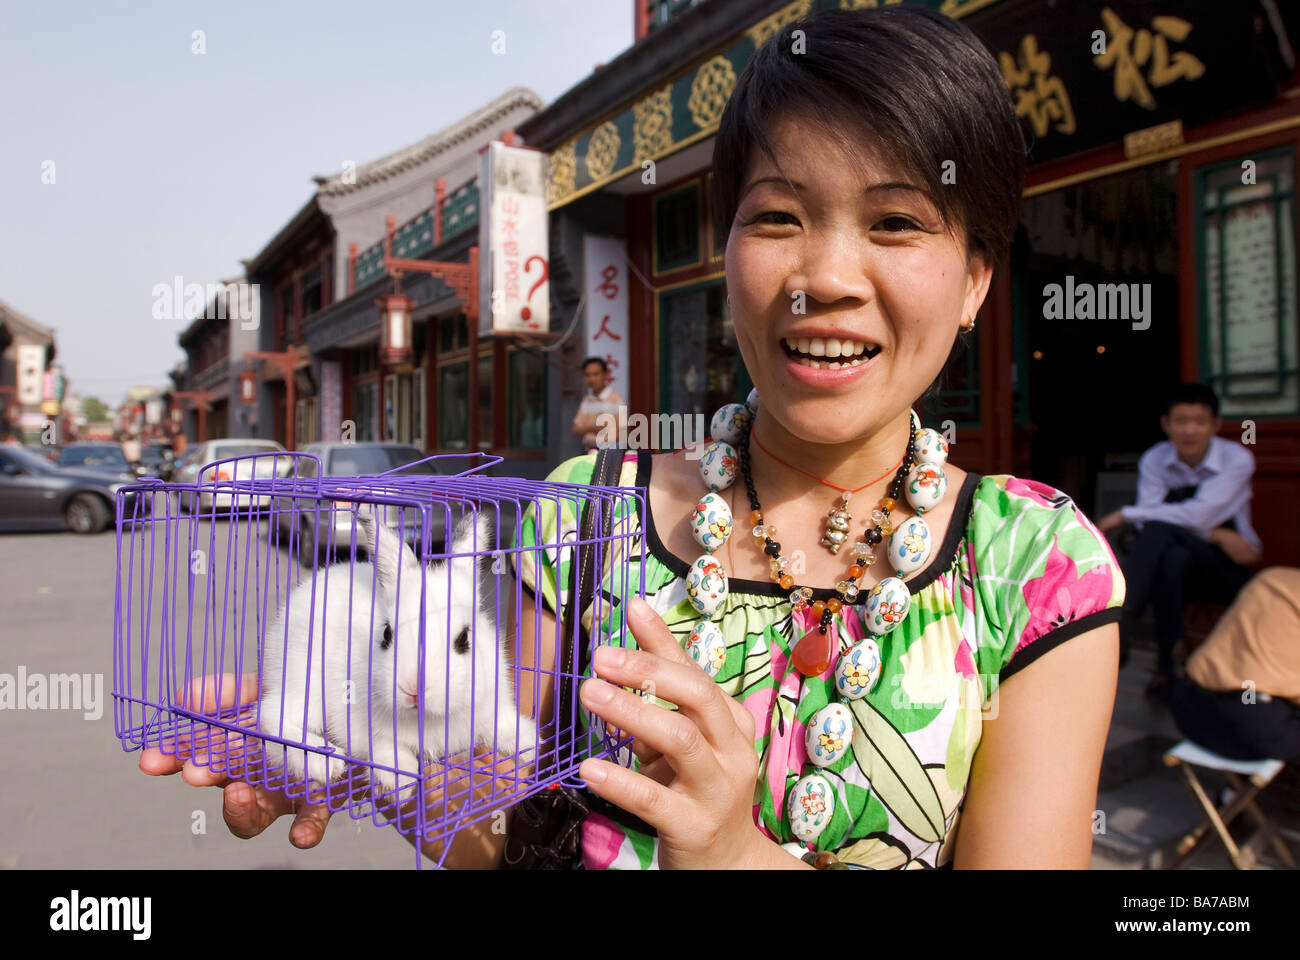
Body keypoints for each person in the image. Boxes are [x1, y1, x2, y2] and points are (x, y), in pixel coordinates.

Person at [138, 7, 1123, 869]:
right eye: (778, 214)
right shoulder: (587, 511)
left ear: (978, 280)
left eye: (897, 222)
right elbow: (505, 838)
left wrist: (732, 855)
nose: (823, 274)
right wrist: (366, 745)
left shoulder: (1037, 569)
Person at [1098, 383, 1261, 702]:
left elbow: (1198, 516)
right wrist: (1215, 532)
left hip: (1225, 569)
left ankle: (1124, 626)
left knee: (1161, 533)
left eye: (1200, 422)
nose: (1190, 430)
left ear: (1215, 425)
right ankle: (1167, 668)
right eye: (1181, 421)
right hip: (1177, 567)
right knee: (1170, 557)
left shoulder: (1237, 459)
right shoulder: (1155, 459)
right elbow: (1158, 520)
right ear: (1166, 424)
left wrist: (1125, 513)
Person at [1170, 567, 1300, 762]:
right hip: (1247, 719)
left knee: (1251, 690)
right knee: (1254, 698)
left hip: (1188, 705)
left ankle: (1232, 792)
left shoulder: (1271, 578)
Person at [570, 356, 622, 451]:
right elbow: (575, 429)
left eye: (596, 374)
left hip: (609, 453)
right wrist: (596, 427)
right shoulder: (587, 400)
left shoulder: (616, 400)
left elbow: (623, 433)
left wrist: (590, 433)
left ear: (606, 374)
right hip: (587, 452)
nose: (592, 379)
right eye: (587, 375)